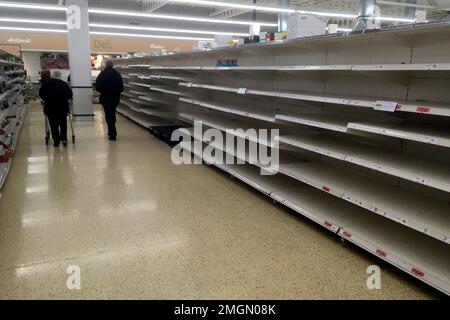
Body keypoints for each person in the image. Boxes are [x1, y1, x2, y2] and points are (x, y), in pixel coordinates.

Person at [39, 70, 73, 147]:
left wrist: (46, 99)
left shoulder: (46, 84)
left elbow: (41, 94)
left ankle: (56, 141)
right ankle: (64, 138)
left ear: (52, 76)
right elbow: (70, 94)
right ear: (60, 76)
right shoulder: (64, 84)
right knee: (63, 123)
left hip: (50, 108)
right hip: (62, 108)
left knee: (53, 125)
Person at [95, 59, 124, 141]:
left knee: (108, 115)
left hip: (106, 98)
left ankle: (112, 133)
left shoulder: (103, 74)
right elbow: (121, 88)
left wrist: (105, 90)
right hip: (115, 98)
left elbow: (97, 87)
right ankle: (111, 131)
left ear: (105, 65)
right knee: (112, 114)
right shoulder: (117, 74)